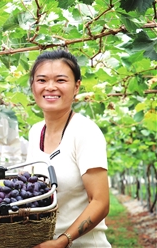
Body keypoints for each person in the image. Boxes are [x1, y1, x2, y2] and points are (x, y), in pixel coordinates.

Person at [25, 50, 111, 248]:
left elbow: (100, 201)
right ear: (33, 86)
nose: (50, 87)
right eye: (42, 80)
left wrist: (63, 241)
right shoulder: (35, 132)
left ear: (76, 87)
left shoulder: (84, 131)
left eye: (61, 80)